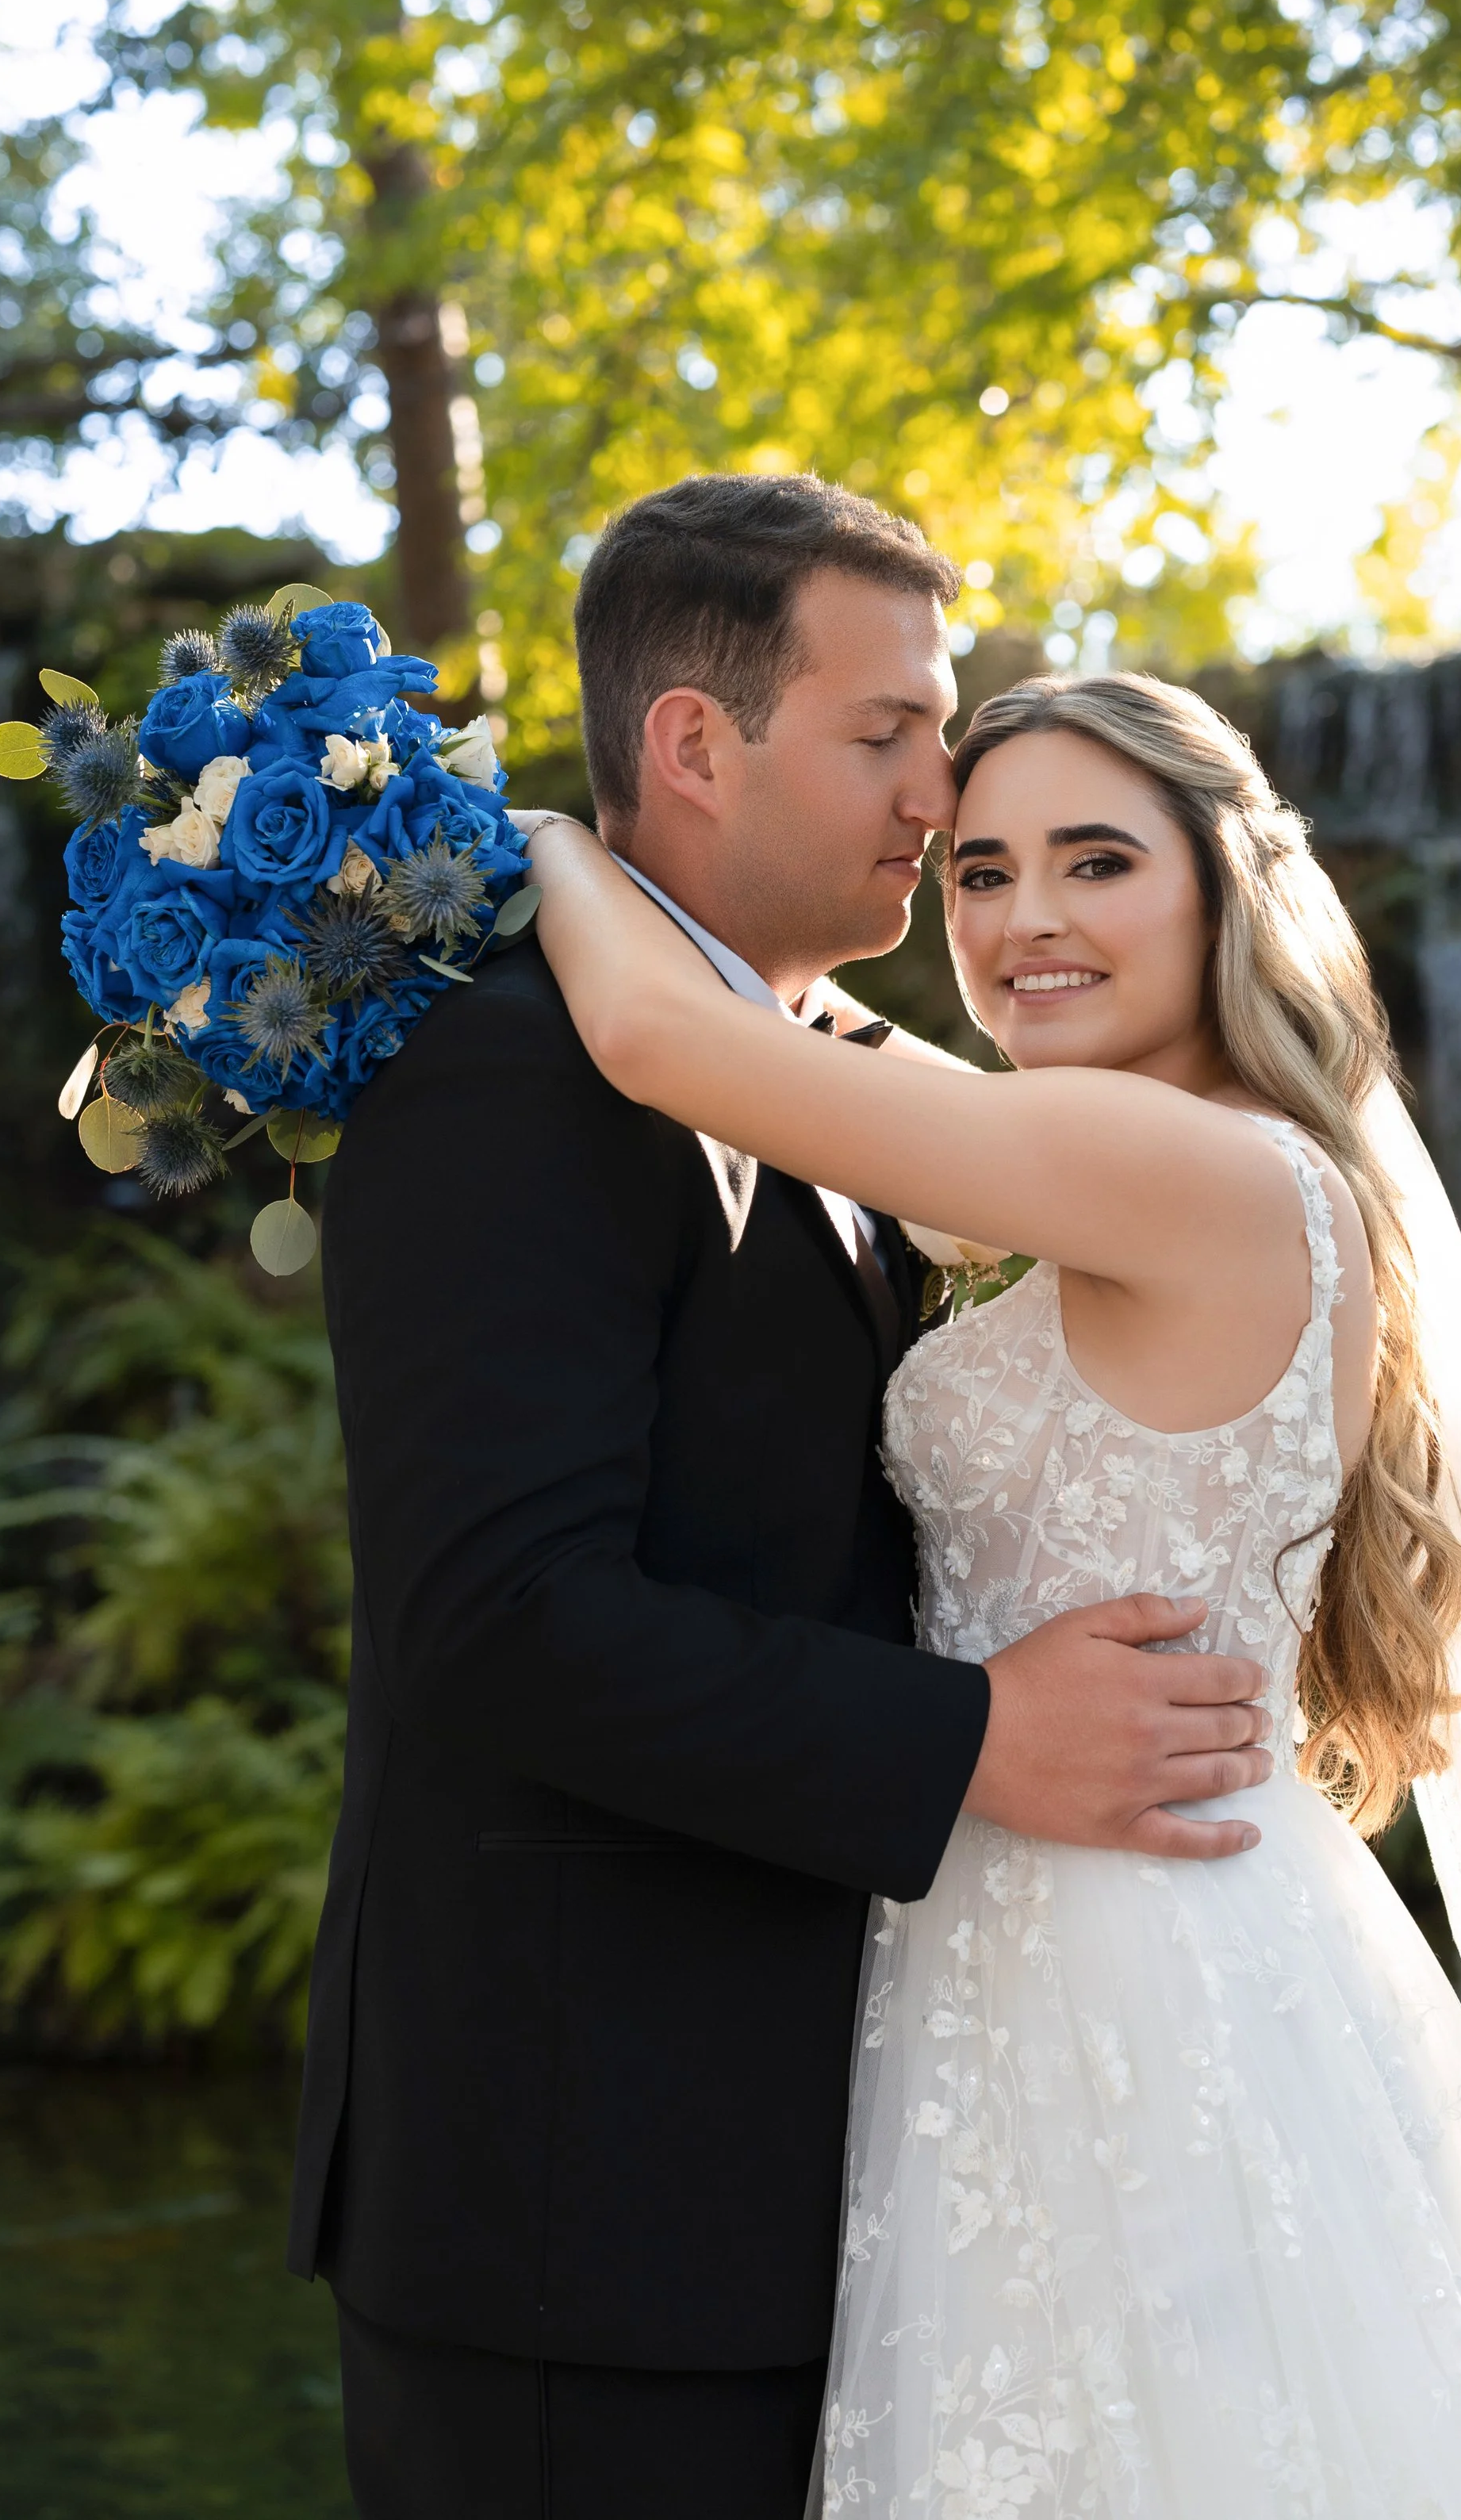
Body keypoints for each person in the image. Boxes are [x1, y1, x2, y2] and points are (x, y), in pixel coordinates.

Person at [523, 664, 1461, 2520]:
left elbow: (659, 1042)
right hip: (1185, 1927)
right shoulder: (1224, 1161)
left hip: (1116, 1976)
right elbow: (883, 1083)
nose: (1022, 919)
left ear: (1222, 887)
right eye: (976, 873)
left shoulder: (1141, 1159)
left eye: (1095, 863)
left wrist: (530, 839)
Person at [290, 478, 1275, 2520]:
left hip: (886, 2163)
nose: (941, 787)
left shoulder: (837, 1079)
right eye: (889, 731)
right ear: (690, 745)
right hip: (588, 2201)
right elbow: (497, 1617)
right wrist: (976, 1736)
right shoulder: (503, 1067)